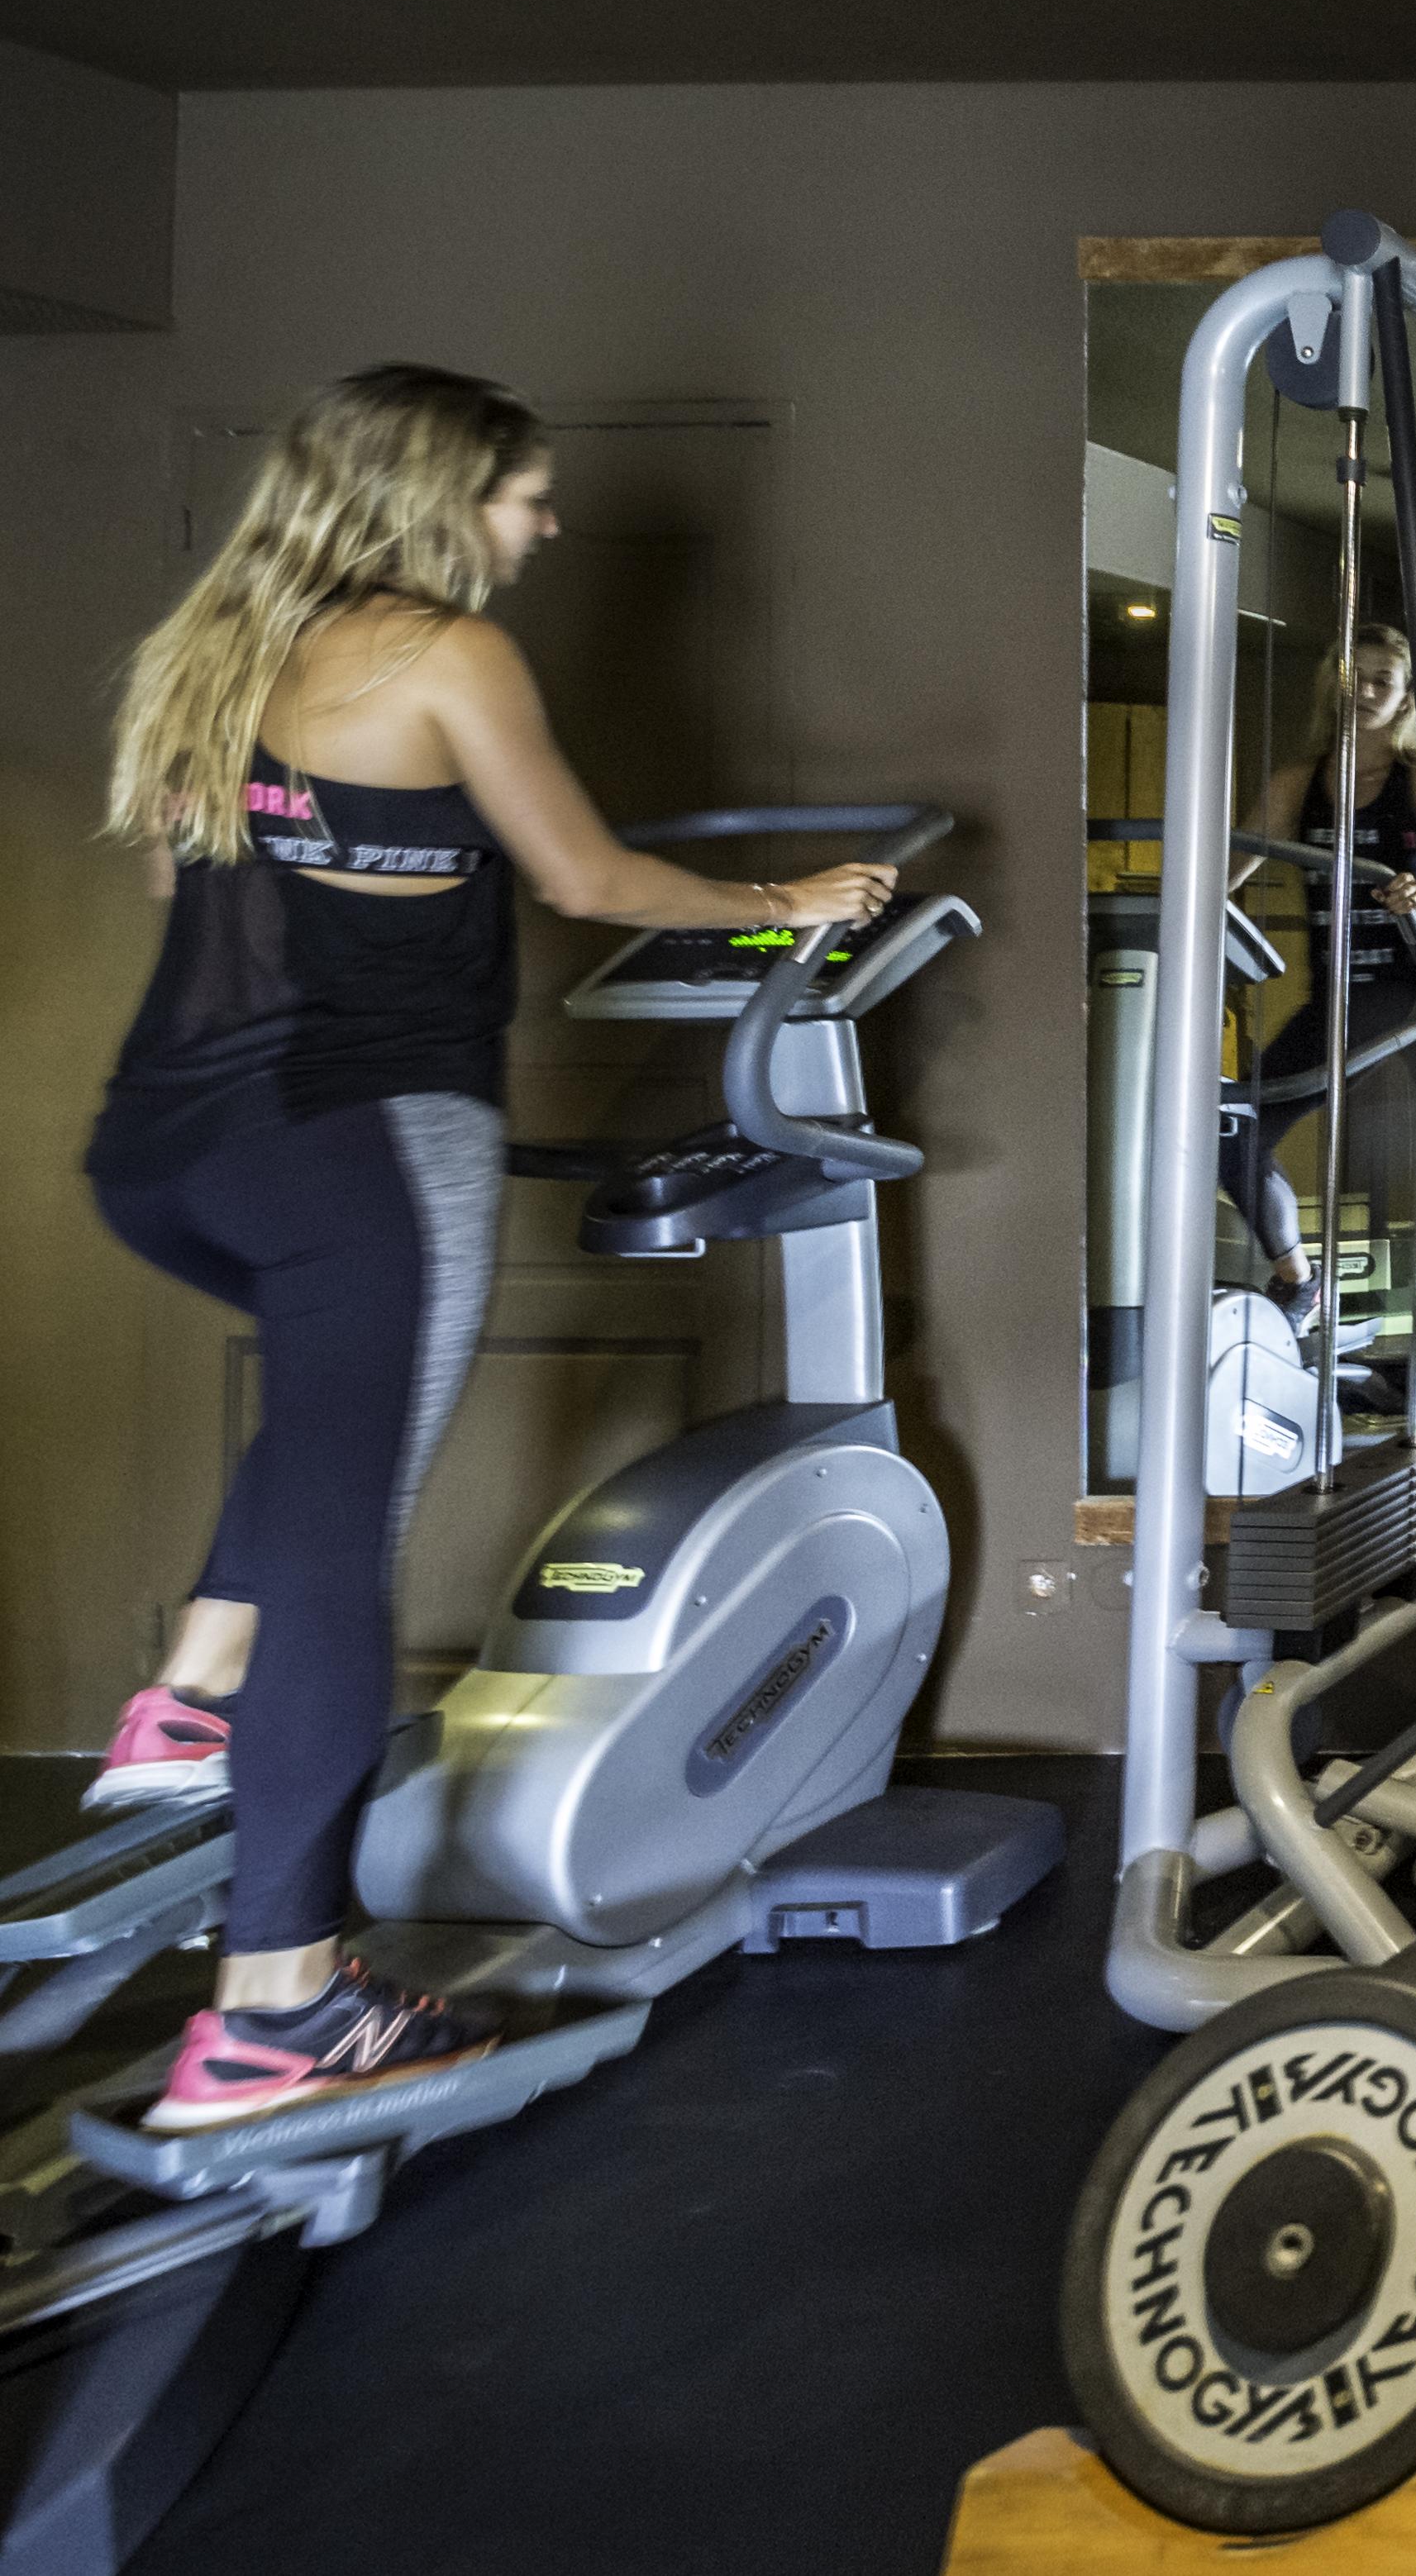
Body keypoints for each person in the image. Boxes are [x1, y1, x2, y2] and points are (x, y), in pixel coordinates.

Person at [83, 364, 903, 2128]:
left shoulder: (210, 651)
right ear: (441, 497)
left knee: (314, 1441)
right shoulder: (442, 651)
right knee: (338, 1548)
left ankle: (189, 1696)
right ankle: (272, 2008)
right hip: (361, 1146)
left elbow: (189, 895)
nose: (546, 523)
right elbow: (588, 878)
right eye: (524, 493)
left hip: (164, 1149)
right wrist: (789, 908)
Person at [1226, 625, 1416, 1317]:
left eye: (1384, 678)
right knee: (1232, 1132)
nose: (1368, 689)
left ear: (1406, 696)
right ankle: (1301, 1280)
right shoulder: (1302, 781)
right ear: (1335, 682)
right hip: (1340, 1000)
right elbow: (1222, 873)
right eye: (1355, 674)